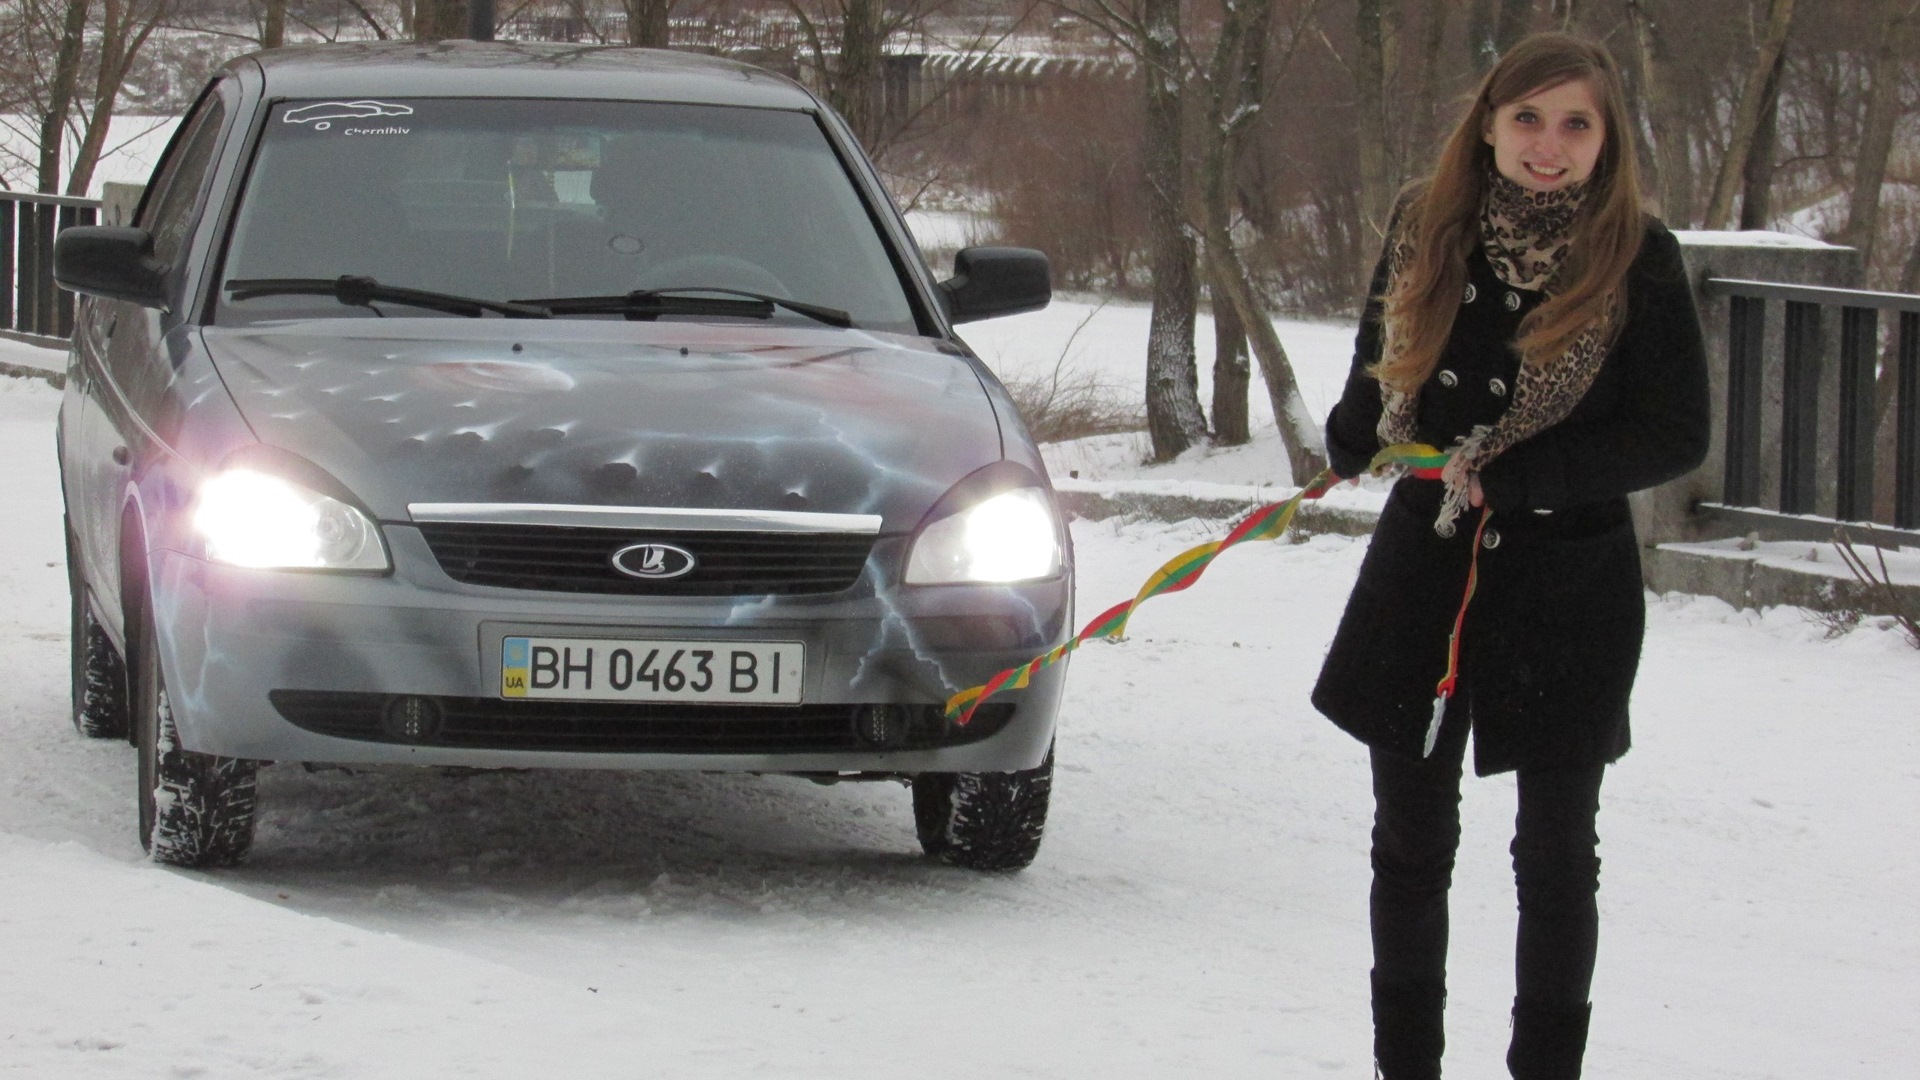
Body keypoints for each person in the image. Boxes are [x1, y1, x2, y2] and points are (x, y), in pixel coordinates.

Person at [1310, 32, 1711, 1080]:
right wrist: (1355, 432)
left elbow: (1674, 432)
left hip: (1567, 579)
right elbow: (1383, 357)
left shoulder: (1639, 257)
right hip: (1426, 565)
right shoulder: (1425, 224)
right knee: (1407, 840)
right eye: (1528, 118)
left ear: (1606, 140)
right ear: (1488, 122)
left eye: (1576, 123)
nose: (1549, 144)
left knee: (1554, 855)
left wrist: (1533, 475)